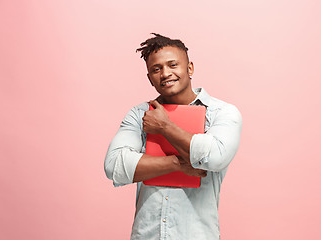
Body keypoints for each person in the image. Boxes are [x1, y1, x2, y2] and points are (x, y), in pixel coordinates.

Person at [104, 33, 242, 240]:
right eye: (156, 69)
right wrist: (177, 165)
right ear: (150, 77)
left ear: (190, 68)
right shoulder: (139, 114)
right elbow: (114, 165)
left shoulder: (222, 112)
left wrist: (165, 127)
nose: (165, 73)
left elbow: (216, 157)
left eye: (172, 65)